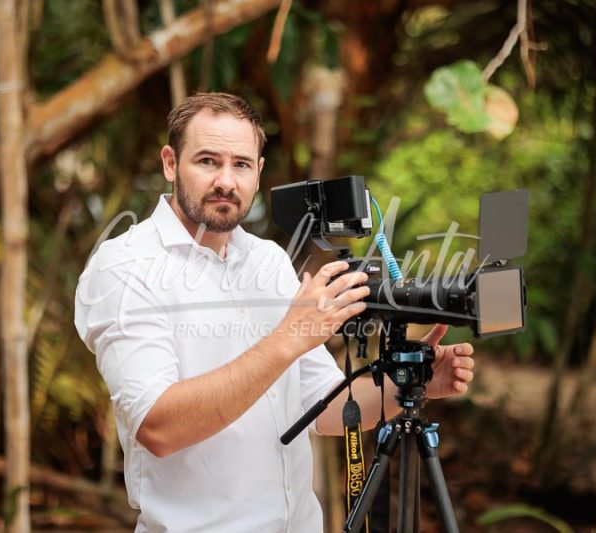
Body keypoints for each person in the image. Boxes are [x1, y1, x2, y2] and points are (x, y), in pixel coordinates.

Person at [74, 92, 475, 532]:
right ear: (171, 163)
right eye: (208, 161)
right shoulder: (126, 266)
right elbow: (159, 427)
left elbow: (323, 408)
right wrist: (288, 338)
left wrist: (408, 384)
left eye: (241, 164)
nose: (226, 181)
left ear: (258, 171)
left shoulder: (267, 259)